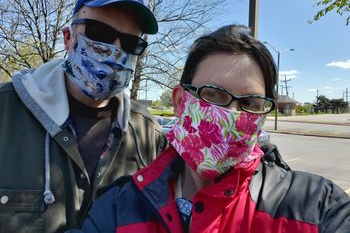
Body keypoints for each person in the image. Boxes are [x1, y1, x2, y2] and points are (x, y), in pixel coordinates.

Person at [68, 24, 350, 233]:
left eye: (251, 102)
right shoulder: (120, 206)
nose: (231, 115)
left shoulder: (314, 204)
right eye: (213, 95)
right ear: (180, 100)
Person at [0, 0, 167, 233]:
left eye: (132, 44)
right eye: (100, 33)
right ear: (68, 38)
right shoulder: (6, 113)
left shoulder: (148, 135)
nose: (115, 51)